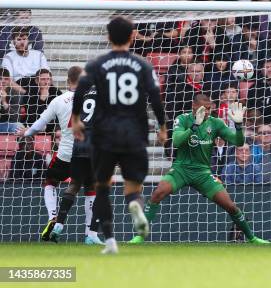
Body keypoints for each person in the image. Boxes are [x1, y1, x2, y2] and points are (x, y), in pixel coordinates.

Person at [70, 16, 168, 254]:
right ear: (133, 36)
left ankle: (110, 240)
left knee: (102, 186)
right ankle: (135, 205)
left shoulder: (96, 64)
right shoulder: (143, 65)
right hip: (134, 133)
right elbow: (155, 96)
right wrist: (163, 127)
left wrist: (75, 119)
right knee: (133, 186)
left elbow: (80, 89)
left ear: (108, 37)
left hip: (104, 134)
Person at [130, 93, 268, 243]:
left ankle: (252, 238)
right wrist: (195, 126)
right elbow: (176, 141)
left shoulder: (216, 123)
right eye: (204, 108)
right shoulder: (182, 119)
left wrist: (239, 126)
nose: (207, 112)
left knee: (231, 206)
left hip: (202, 172)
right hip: (181, 169)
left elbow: (238, 142)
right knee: (158, 193)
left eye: (209, 108)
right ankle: (140, 236)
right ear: (194, 106)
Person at [18, 67, 102, 244]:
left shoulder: (58, 100)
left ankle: (53, 216)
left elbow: (40, 125)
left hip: (65, 153)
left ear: (67, 80)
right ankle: (89, 234)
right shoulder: (92, 98)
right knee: (91, 189)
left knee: (50, 181)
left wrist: (26, 132)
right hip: (88, 152)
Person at [0, 67, 23, 134]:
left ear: (9, 80)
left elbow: (16, 118)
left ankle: (24, 143)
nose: (3, 81)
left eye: (6, 79)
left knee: (18, 126)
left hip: (6, 125)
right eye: (0, 79)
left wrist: (4, 102)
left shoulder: (14, 93)